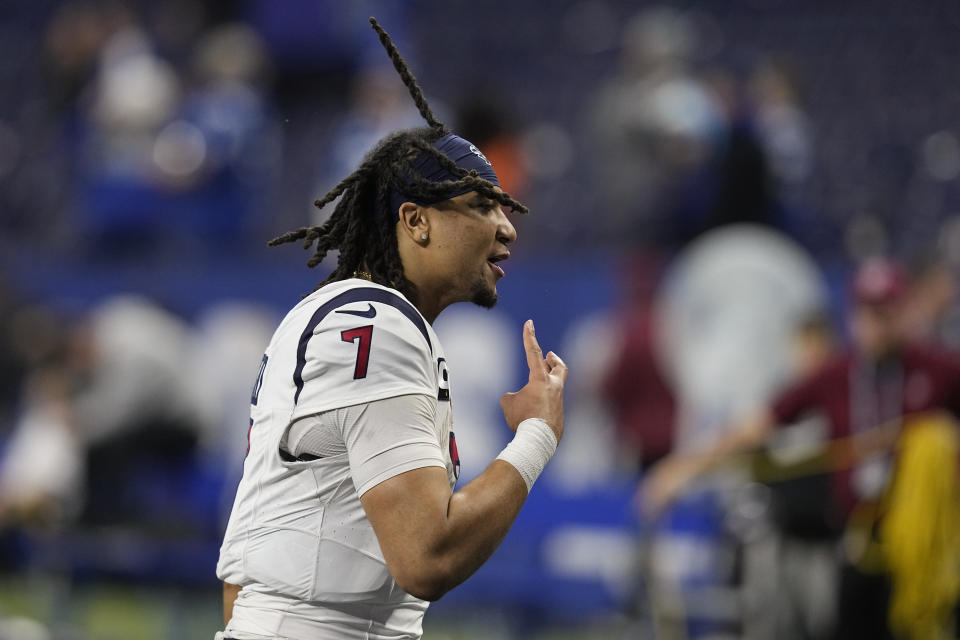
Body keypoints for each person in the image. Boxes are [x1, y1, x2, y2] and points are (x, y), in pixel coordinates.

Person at [215, 18, 568, 640]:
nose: (507, 227)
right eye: (483, 205)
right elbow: (425, 558)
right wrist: (536, 436)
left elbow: (245, 570)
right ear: (417, 221)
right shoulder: (376, 324)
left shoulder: (337, 313)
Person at [643, 258, 960, 639]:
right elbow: (755, 427)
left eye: (885, 312)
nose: (874, 324)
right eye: (866, 311)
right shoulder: (835, 375)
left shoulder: (938, 369)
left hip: (921, 555)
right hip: (857, 549)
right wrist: (680, 469)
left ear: (902, 312)